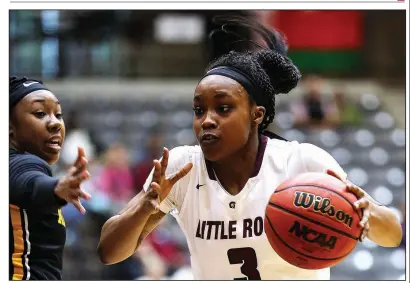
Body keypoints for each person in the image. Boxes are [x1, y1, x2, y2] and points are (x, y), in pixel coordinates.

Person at [97, 16, 402, 280]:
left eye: (223, 108)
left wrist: (366, 211)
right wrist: (147, 204)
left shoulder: (301, 162)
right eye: (199, 110)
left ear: (257, 114)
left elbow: (392, 235)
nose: (207, 120)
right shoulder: (181, 168)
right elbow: (109, 252)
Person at [9, 76, 92, 280]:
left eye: (58, 114)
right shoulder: (22, 163)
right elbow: (29, 182)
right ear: (10, 127)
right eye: (40, 113)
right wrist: (57, 189)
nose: (55, 123)